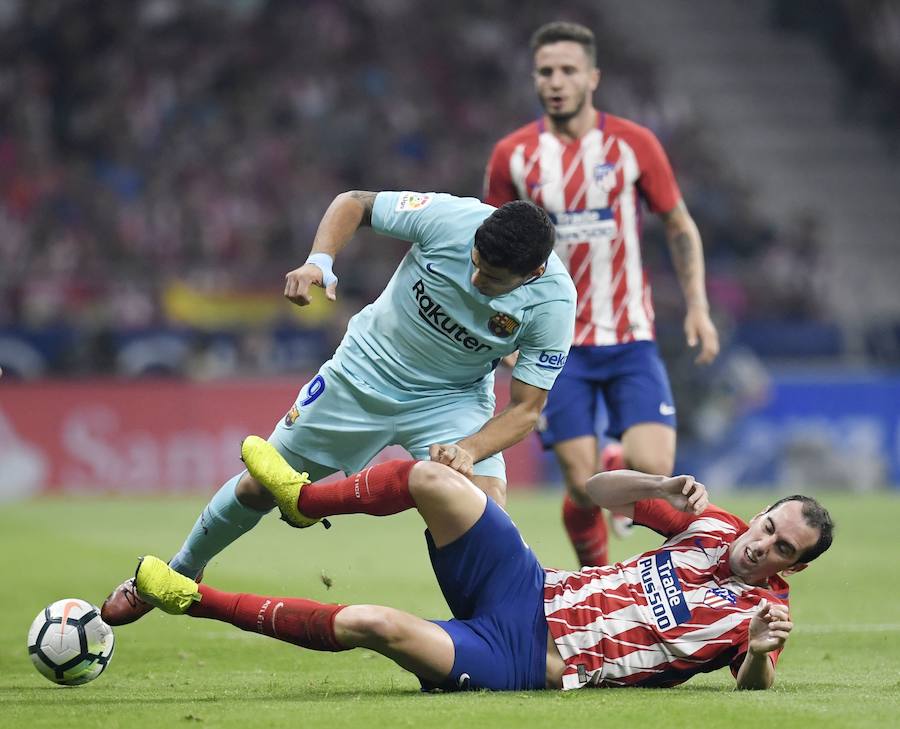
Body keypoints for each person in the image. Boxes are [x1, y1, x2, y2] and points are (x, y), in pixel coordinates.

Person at [101, 190, 577, 625]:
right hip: (361, 373)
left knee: (484, 512)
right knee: (257, 488)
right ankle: (181, 571)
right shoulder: (452, 219)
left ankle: (492, 637)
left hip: (450, 400)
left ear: (532, 274)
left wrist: (470, 448)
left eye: (491, 279)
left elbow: (527, 409)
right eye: (474, 263)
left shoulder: (554, 300)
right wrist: (319, 261)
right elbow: (356, 203)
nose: (475, 279)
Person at [134, 435, 834, 691]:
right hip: (528, 585)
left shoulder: (761, 613)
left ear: (791, 567)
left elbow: (753, 684)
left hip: (522, 655)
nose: (761, 543)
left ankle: (190, 595)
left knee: (377, 622)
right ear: (762, 512)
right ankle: (302, 498)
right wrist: (655, 485)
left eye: (779, 547)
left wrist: (760, 657)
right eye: (768, 524)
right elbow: (593, 491)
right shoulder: (712, 523)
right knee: (437, 480)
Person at [484, 21, 721, 568]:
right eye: (546, 72)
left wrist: (699, 308)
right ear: (534, 79)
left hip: (630, 336)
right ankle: (601, 576)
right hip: (556, 343)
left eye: (568, 70)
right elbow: (494, 249)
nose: (556, 82)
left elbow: (680, 227)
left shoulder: (634, 144)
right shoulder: (513, 156)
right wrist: (504, 337)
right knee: (582, 484)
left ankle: (617, 460)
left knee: (655, 474)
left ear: (593, 76)